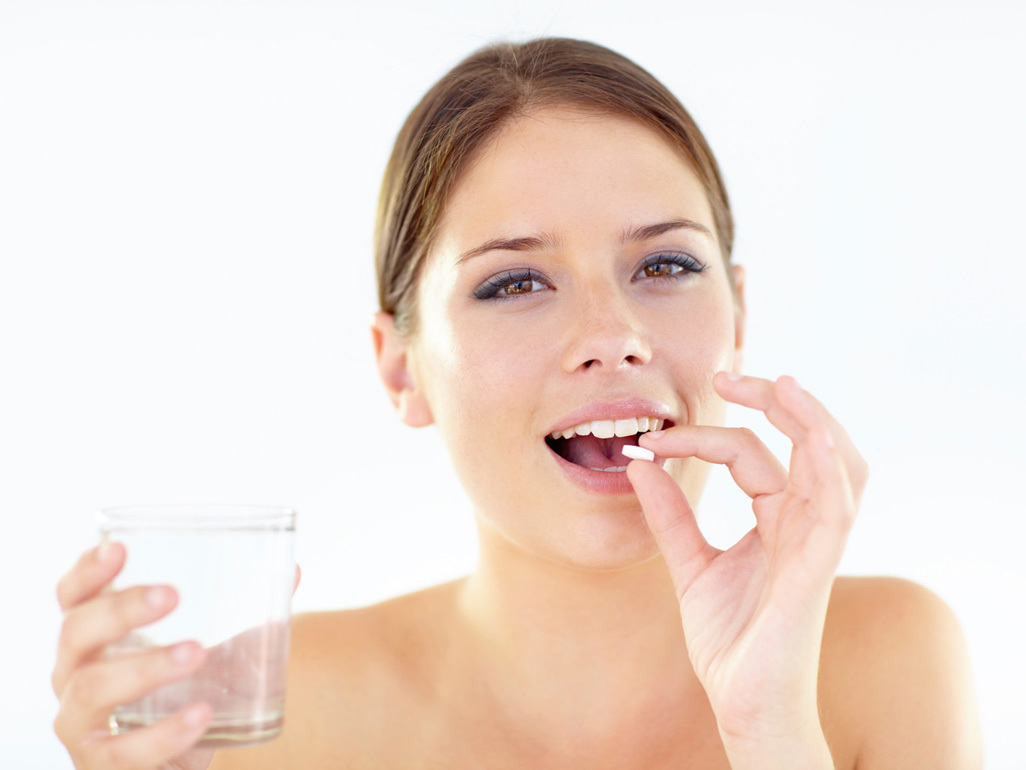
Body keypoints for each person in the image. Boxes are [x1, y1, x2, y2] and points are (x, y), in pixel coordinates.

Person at [53, 38, 982, 769]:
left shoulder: (890, 661)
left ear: (739, 314)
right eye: (515, 283)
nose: (613, 333)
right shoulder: (251, 713)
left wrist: (774, 732)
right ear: (400, 371)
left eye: (665, 264)